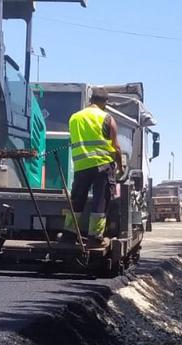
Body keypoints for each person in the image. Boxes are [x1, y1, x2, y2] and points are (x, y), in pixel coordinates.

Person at [65, 88, 123, 245]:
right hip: (102, 166)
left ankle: (70, 234)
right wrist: (120, 167)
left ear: (91, 100)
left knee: (77, 199)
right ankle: (95, 237)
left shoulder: (74, 118)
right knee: (100, 201)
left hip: (80, 165)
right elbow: (116, 147)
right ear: (105, 102)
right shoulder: (107, 118)